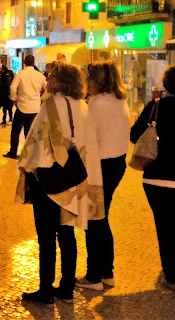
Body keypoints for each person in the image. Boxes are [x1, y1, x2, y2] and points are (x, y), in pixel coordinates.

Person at [16, 62, 103, 304]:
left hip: (50, 181)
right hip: (74, 179)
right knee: (67, 234)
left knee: (46, 238)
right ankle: (66, 287)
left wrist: (28, 169)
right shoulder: (83, 106)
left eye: (52, 75)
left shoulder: (51, 105)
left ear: (61, 81)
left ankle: (45, 289)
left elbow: (37, 142)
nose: (48, 78)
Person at [130, 64, 175, 292]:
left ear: (165, 84)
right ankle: (172, 270)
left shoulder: (155, 107)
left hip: (157, 179)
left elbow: (134, 136)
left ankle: (173, 277)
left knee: (165, 227)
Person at [75, 61, 130, 291]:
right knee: (102, 218)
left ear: (97, 81)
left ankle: (94, 276)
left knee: (95, 221)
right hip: (117, 163)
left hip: (100, 166)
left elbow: (86, 140)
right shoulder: (120, 101)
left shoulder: (97, 104)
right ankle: (107, 272)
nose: (86, 83)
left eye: (89, 79)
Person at [4, 55, 46, 159]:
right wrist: (41, 98)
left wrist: (14, 99)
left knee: (15, 131)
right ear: (34, 62)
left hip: (22, 107)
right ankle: (29, 155)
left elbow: (13, 87)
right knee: (30, 133)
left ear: (24, 62)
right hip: (35, 108)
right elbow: (48, 88)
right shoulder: (40, 75)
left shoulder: (21, 74)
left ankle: (13, 152)